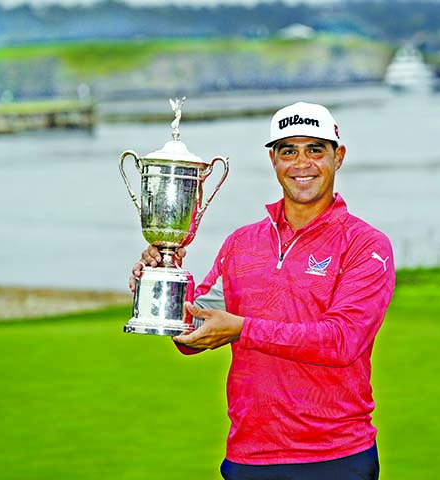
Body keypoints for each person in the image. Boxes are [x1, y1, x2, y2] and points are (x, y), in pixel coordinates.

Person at [130, 102, 395, 480]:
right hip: (248, 458)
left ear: (339, 157)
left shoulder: (365, 244)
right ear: (273, 160)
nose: (301, 163)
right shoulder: (242, 243)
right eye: (288, 151)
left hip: (334, 457)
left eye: (315, 150)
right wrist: (164, 281)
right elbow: (191, 335)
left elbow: (342, 341)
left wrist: (242, 329)